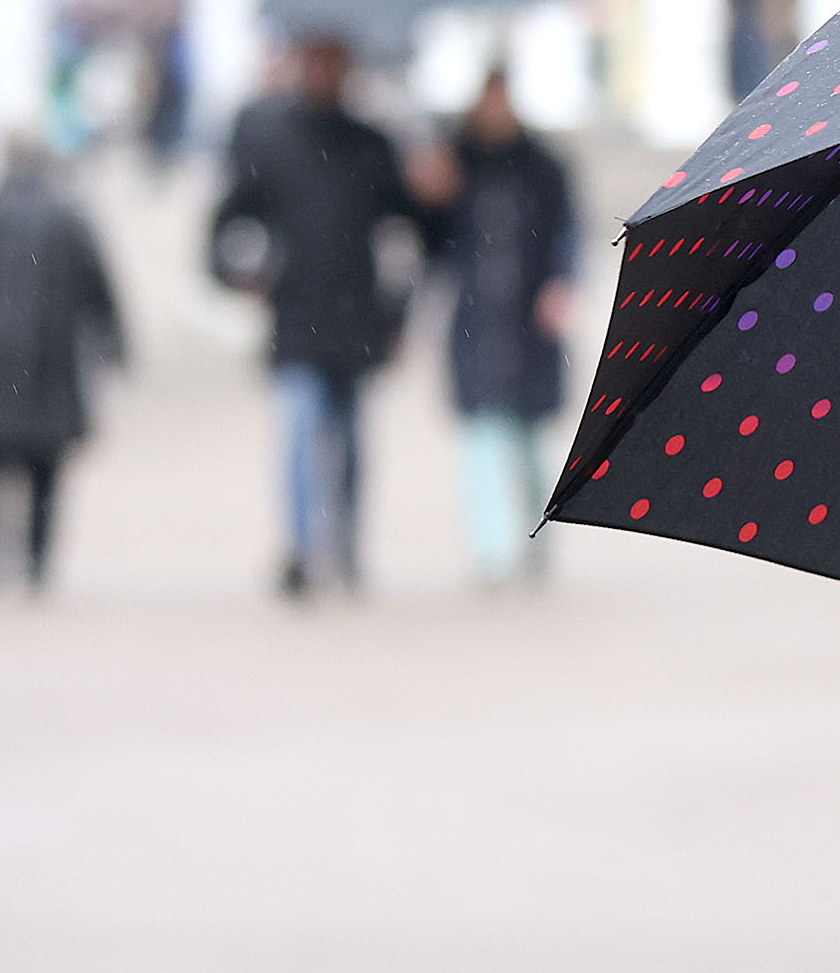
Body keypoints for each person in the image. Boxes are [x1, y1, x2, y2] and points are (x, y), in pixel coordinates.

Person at [211, 31, 435, 598]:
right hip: (296, 314)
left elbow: (413, 230)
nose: (326, 72)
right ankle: (302, 550)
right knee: (302, 427)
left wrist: (435, 194)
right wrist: (239, 274)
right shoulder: (270, 139)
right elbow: (229, 219)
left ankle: (347, 544)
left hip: (358, 317)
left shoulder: (373, 144)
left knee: (352, 441)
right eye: (317, 60)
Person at [0, 133, 125, 596]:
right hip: (47, 359)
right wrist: (112, 345)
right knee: (45, 468)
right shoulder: (66, 216)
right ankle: (36, 562)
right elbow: (99, 286)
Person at [416, 68, 579, 588]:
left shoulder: (544, 166)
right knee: (483, 438)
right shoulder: (455, 164)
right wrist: (430, 197)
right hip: (476, 319)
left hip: (529, 319)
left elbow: (565, 231)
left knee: (530, 443)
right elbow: (433, 245)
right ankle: (490, 550)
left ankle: (535, 536)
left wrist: (561, 282)